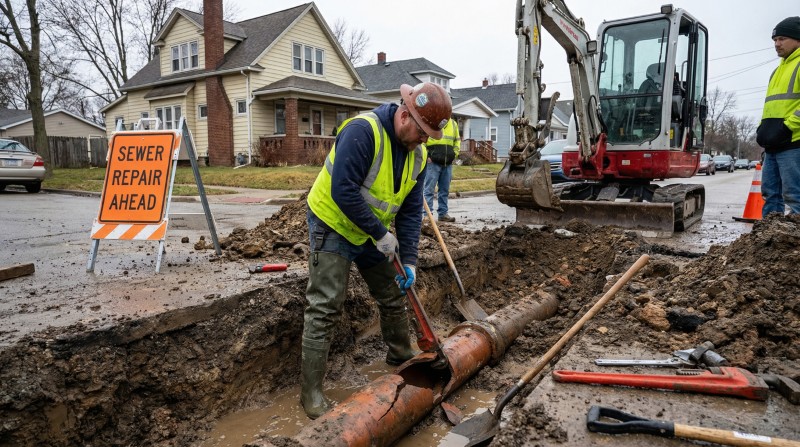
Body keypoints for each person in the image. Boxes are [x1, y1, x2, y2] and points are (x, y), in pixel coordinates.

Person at [300, 82, 452, 419]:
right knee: (325, 305)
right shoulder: (362, 131)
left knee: (392, 290)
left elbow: (412, 211)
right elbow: (343, 190)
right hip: (334, 222)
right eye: (423, 131)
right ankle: (310, 394)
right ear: (404, 115)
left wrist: (409, 261)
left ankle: (401, 355)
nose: (424, 140)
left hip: (372, 232)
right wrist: (380, 233)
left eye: (430, 135)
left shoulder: (420, 155)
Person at [756, 16, 800, 215]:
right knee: (770, 194)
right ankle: (770, 242)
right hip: (773, 144)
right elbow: (771, 107)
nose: (777, 44)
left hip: (793, 143)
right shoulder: (777, 71)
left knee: (794, 195)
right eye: (775, 40)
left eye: (782, 38)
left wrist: (787, 127)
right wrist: (762, 129)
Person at [423, 117, 460, 222]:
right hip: (433, 163)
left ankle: (443, 214)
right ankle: (427, 215)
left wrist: (454, 155)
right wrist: (427, 156)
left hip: (447, 163)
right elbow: (423, 140)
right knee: (429, 190)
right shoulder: (432, 121)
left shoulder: (453, 123)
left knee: (444, 190)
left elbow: (457, 141)